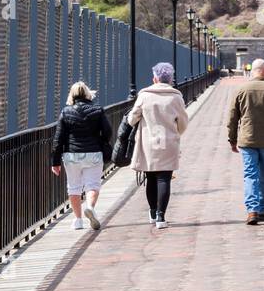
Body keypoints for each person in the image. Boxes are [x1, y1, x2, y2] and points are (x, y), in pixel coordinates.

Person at [226, 58, 264, 226]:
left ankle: (251, 210)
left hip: (247, 139)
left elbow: (232, 117)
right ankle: (263, 209)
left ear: (252, 71)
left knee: (250, 175)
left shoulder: (241, 89)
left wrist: (232, 139)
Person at [128, 62, 189, 229]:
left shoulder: (144, 95)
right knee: (164, 179)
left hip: (148, 142)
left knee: (151, 177)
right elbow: (183, 122)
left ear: (155, 78)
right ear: (170, 79)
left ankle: (153, 212)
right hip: (168, 141)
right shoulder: (176, 97)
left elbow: (132, 119)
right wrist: (176, 132)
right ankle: (162, 216)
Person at [51, 81, 113, 231]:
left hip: (72, 155)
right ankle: (90, 207)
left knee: (73, 187)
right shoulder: (98, 110)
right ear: (87, 93)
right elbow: (108, 132)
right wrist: (100, 141)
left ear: (71, 95)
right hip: (93, 153)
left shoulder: (66, 112)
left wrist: (55, 161)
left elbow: (58, 138)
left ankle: (77, 220)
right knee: (93, 185)